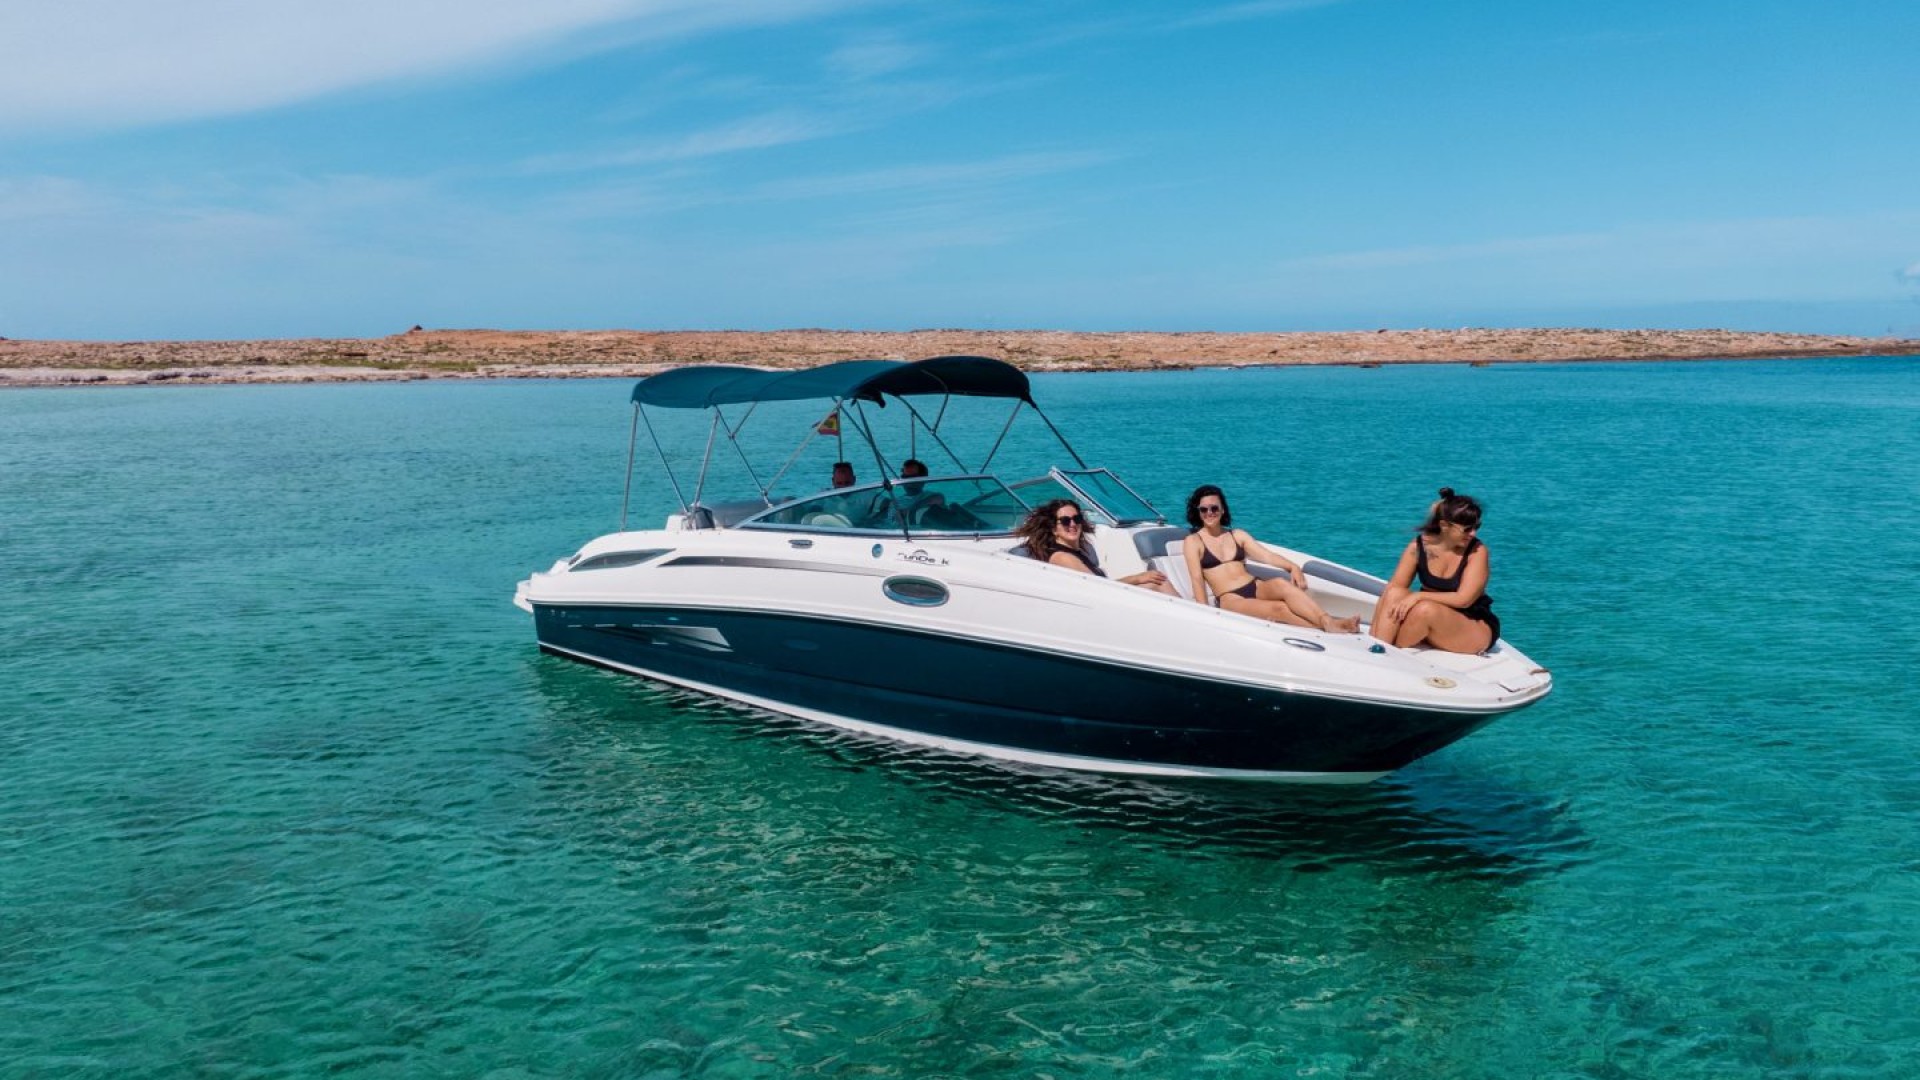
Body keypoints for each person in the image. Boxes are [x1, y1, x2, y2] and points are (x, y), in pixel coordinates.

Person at [1180, 485, 1358, 632]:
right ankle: (1329, 628)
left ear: (1222, 509)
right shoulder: (1193, 541)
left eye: (1214, 508)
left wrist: (1292, 567)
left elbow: (1266, 556)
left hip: (1254, 585)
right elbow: (1197, 580)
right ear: (1198, 512)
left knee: (1281, 584)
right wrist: (1205, 616)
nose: (1209, 513)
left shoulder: (1237, 535)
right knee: (1279, 608)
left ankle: (1327, 621)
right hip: (1230, 598)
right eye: (1204, 509)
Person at [1370, 487, 1500, 653]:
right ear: (1444, 525)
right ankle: (1378, 648)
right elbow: (1392, 590)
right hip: (1429, 618)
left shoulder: (1477, 551)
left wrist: (1419, 595)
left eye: (1477, 527)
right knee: (1395, 593)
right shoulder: (1418, 547)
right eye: (1467, 529)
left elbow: (1464, 600)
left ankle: (1390, 653)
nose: (1473, 533)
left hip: (1471, 624)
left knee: (1425, 610)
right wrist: (1374, 631)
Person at [1015, 499, 1175, 594]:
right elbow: (1100, 588)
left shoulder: (1077, 551)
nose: (1072, 524)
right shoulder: (1063, 557)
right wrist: (1137, 578)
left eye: (1077, 519)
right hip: (1100, 606)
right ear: (1053, 528)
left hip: (1105, 599)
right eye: (1065, 521)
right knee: (1158, 583)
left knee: (1157, 580)